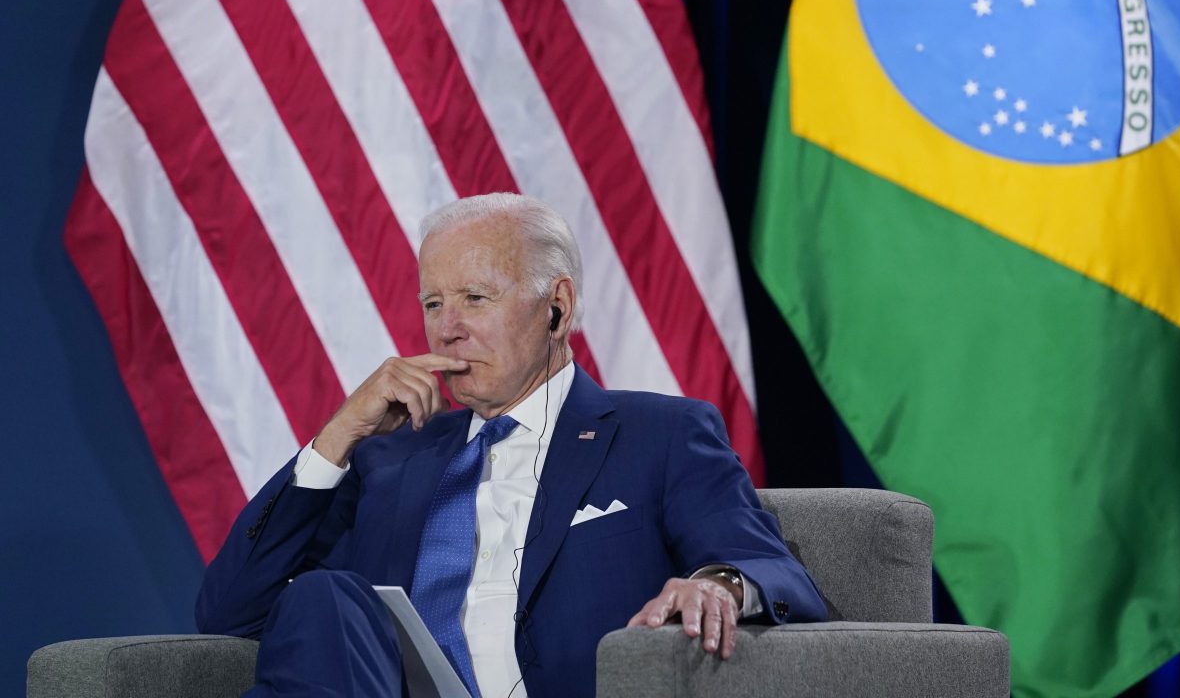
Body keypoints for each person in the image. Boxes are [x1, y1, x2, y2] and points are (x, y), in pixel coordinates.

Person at [196, 192, 825, 697]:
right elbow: (231, 612)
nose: (448, 328)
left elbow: (775, 572)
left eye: (475, 298)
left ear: (556, 309)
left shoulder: (660, 435)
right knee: (320, 595)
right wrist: (337, 437)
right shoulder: (390, 458)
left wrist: (714, 585)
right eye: (433, 302)